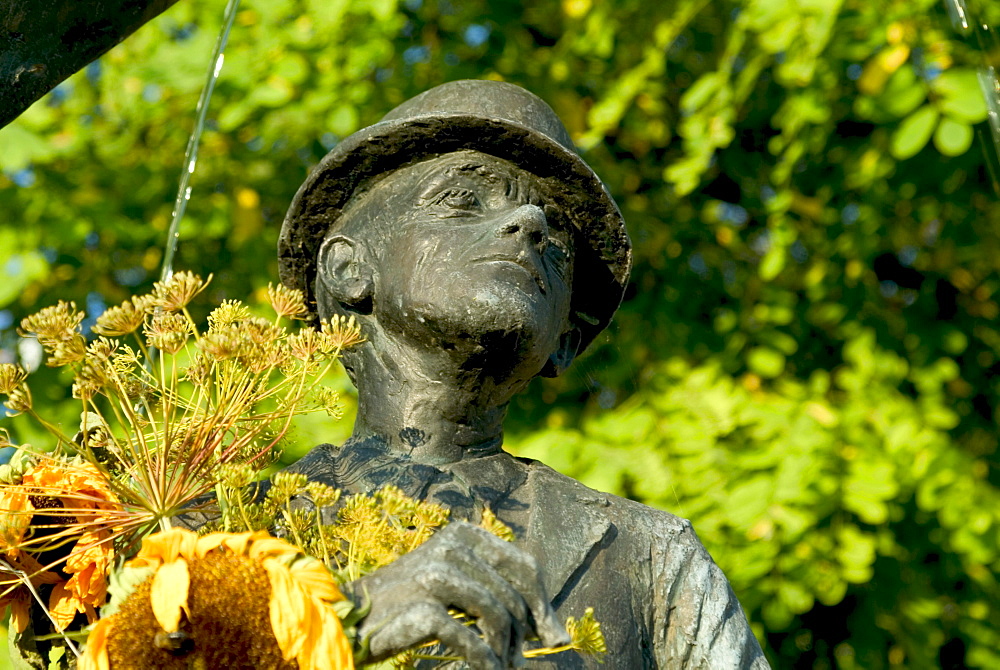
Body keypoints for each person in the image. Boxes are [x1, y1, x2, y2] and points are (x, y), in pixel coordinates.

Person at [278, 79, 768, 669]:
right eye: (461, 200)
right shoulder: (214, 531)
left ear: (565, 341)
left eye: (557, 245)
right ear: (348, 269)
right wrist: (337, 631)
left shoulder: (651, 559)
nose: (531, 224)